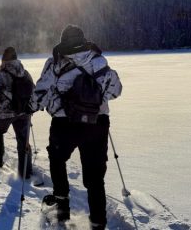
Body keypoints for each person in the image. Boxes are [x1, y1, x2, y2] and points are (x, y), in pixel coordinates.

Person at [30, 25, 122, 230]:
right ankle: (98, 222)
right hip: (96, 124)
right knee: (95, 174)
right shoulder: (98, 61)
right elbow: (115, 90)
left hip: (64, 124)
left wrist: (30, 107)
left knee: (57, 159)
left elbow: (41, 94)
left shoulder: (55, 63)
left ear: (63, 41)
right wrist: (93, 99)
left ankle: (61, 211)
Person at [0, 47, 34, 177]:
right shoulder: (25, 73)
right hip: (24, 112)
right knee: (23, 140)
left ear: (3, 59)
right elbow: (34, 92)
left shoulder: (0, 75)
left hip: (6, 113)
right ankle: (26, 171)